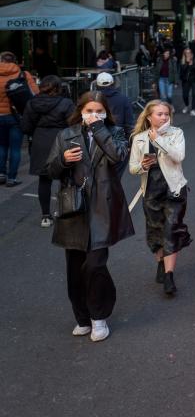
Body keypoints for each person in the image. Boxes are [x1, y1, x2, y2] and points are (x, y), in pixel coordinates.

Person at [47, 91, 135, 342]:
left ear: (106, 112)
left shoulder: (114, 132)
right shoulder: (66, 135)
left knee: (95, 263)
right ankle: (82, 317)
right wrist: (63, 161)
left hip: (103, 206)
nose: (93, 115)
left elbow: (118, 156)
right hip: (73, 207)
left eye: (99, 111)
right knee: (75, 267)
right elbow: (50, 170)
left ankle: (99, 317)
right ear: (80, 111)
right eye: (88, 111)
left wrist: (99, 128)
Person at [129, 100, 191, 296]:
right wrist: (144, 165)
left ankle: (170, 275)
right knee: (155, 231)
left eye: (166, 114)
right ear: (149, 117)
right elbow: (132, 168)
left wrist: (159, 140)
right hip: (151, 191)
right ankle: (160, 263)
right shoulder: (139, 138)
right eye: (160, 114)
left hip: (174, 189)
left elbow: (179, 156)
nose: (164, 117)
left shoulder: (176, 133)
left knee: (171, 229)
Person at [20, 75, 73, 227]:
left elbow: (26, 127)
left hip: (40, 141)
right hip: (61, 140)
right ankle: (65, 211)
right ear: (58, 87)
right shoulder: (66, 103)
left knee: (44, 179)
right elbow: (73, 123)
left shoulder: (32, 103)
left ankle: (45, 216)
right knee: (66, 177)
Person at [0, 52, 38, 186]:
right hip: (17, 116)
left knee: (2, 146)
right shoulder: (23, 74)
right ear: (15, 61)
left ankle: (1, 174)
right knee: (15, 148)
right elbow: (35, 94)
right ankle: (11, 178)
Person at [95, 72, 135, 140]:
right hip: (119, 138)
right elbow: (129, 124)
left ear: (97, 85)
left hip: (97, 138)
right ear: (113, 83)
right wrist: (130, 142)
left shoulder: (93, 100)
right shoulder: (124, 99)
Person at [179, 48, 195, 116]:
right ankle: (186, 105)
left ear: (191, 54)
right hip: (186, 81)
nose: (188, 54)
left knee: (194, 94)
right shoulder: (182, 62)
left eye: (189, 53)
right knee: (185, 95)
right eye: (186, 53)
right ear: (184, 54)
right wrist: (187, 63)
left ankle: (193, 109)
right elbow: (182, 72)